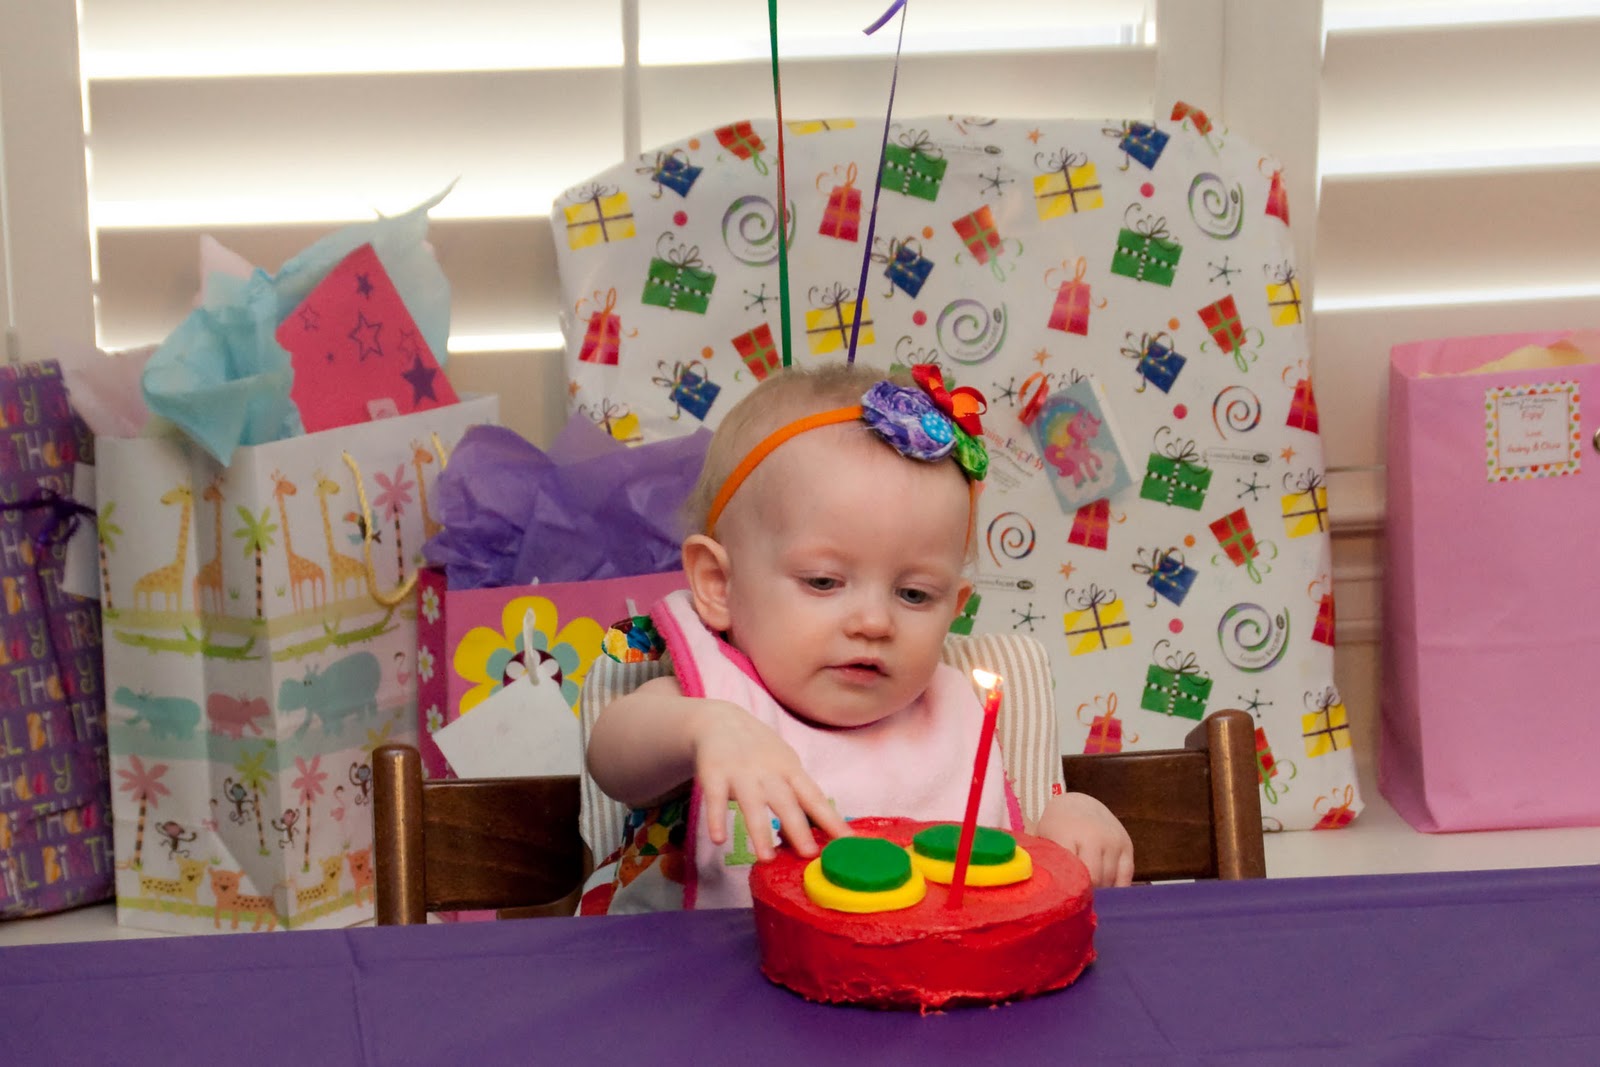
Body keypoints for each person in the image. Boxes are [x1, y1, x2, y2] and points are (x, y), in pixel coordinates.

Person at [585, 363, 1133, 914]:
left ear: (955, 608)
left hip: (923, 992)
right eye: (823, 581)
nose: (874, 622)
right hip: (711, 989)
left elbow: (1001, 874)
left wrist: (1067, 822)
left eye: (915, 595)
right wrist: (707, 729)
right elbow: (613, 760)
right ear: (719, 585)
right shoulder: (708, 696)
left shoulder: (953, 713)